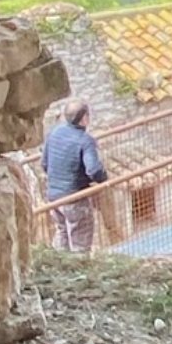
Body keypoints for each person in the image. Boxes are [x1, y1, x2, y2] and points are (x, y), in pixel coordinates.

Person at [41, 99, 108, 254]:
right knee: (80, 244)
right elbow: (94, 170)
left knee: (62, 232)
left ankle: (59, 269)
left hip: (54, 197)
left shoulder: (54, 132)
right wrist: (103, 179)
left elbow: (44, 163)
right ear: (84, 118)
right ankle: (80, 273)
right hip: (74, 198)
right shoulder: (85, 140)